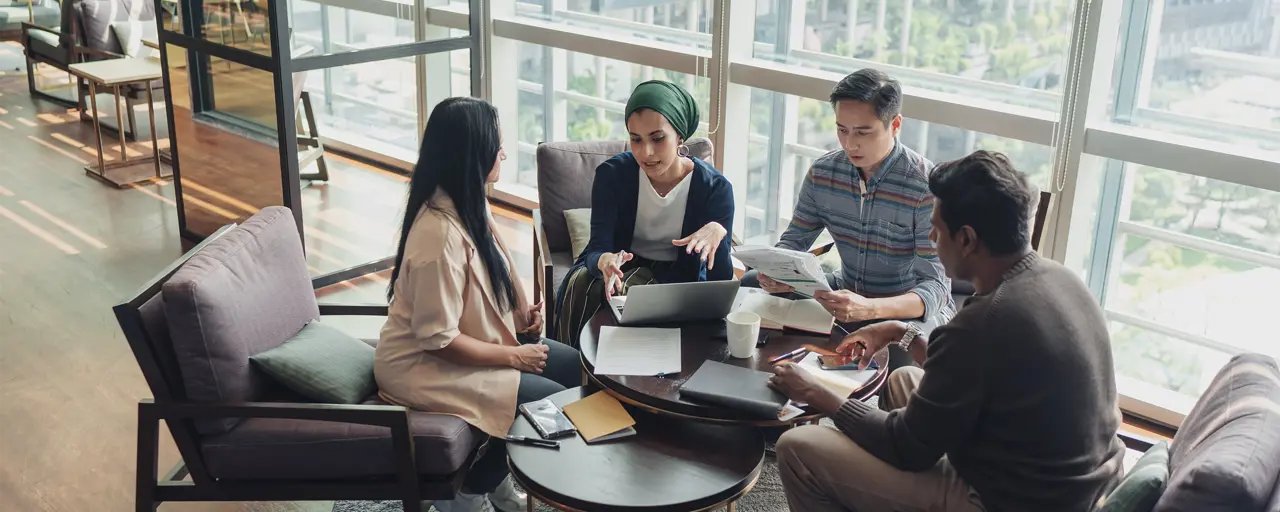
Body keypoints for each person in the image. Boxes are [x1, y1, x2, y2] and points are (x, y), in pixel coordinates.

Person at [768, 150, 1126, 512]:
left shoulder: (985, 321)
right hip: (1076, 484)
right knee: (905, 377)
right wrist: (897, 330)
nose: (930, 238)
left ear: (967, 239)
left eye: (936, 230)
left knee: (798, 448)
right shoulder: (1059, 277)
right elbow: (972, 372)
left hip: (1008, 500)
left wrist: (818, 393)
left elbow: (905, 447)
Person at [375, 97, 581, 512]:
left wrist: (522, 317)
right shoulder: (438, 236)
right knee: (556, 404)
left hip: (463, 346)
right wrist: (513, 356)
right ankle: (468, 494)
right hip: (425, 364)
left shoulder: (471, 202)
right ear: (473, 155)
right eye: (497, 144)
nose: (503, 152)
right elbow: (436, 339)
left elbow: (493, 272)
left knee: (580, 370)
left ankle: (496, 481)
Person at [742, 68, 954, 331]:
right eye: (842, 130)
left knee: (900, 347)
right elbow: (794, 242)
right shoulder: (823, 173)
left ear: (895, 125)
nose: (850, 144)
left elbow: (937, 287)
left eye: (863, 133)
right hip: (846, 291)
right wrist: (780, 274)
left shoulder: (925, 187)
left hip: (905, 309)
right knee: (751, 283)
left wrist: (870, 308)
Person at [556, 80, 734, 347]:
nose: (645, 152)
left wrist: (719, 233)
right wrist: (604, 260)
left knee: (639, 295)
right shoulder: (612, 176)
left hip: (675, 283)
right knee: (588, 283)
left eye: (657, 138)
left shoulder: (715, 190)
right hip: (620, 270)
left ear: (680, 138)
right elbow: (596, 250)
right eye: (636, 139)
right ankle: (577, 369)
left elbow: (719, 281)